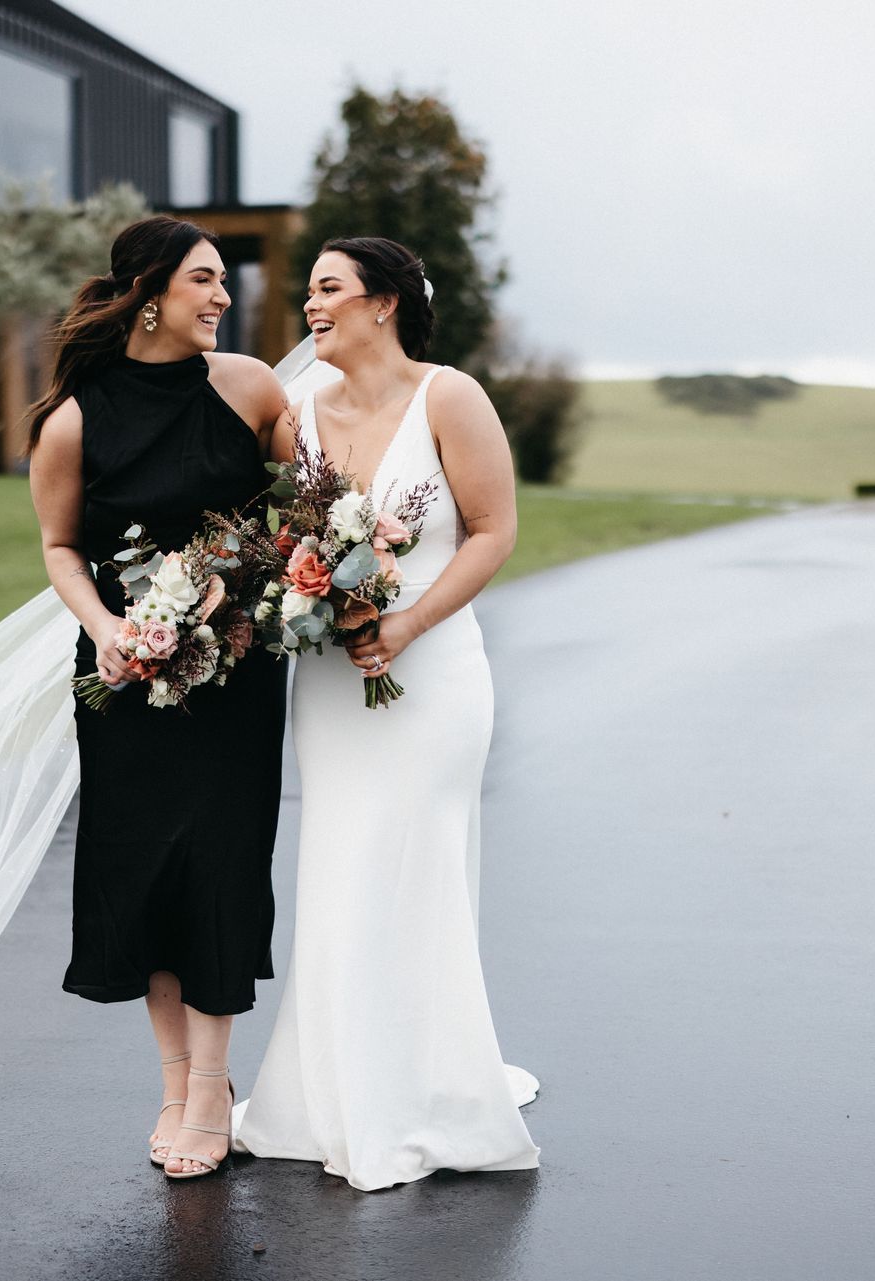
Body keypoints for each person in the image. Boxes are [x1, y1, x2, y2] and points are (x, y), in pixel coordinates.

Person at [233, 237, 541, 1191]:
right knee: (339, 862)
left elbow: (493, 531)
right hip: (333, 682)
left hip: (436, 671)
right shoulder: (297, 419)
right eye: (309, 290)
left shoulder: (450, 396)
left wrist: (403, 623)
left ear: (386, 303)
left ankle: (425, 1087)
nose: (309, 306)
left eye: (327, 289)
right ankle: (330, 1086)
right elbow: (288, 538)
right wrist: (311, 595)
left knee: (416, 862)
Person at [27, 216, 290, 1179]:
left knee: (218, 864)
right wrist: (105, 628)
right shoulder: (72, 420)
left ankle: (214, 1093)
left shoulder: (253, 388)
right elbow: (60, 548)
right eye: (204, 281)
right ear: (148, 294)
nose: (223, 298)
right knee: (147, 870)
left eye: (223, 281)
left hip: (239, 677)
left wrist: (253, 581)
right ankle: (176, 1085)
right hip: (129, 678)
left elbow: (304, 509)